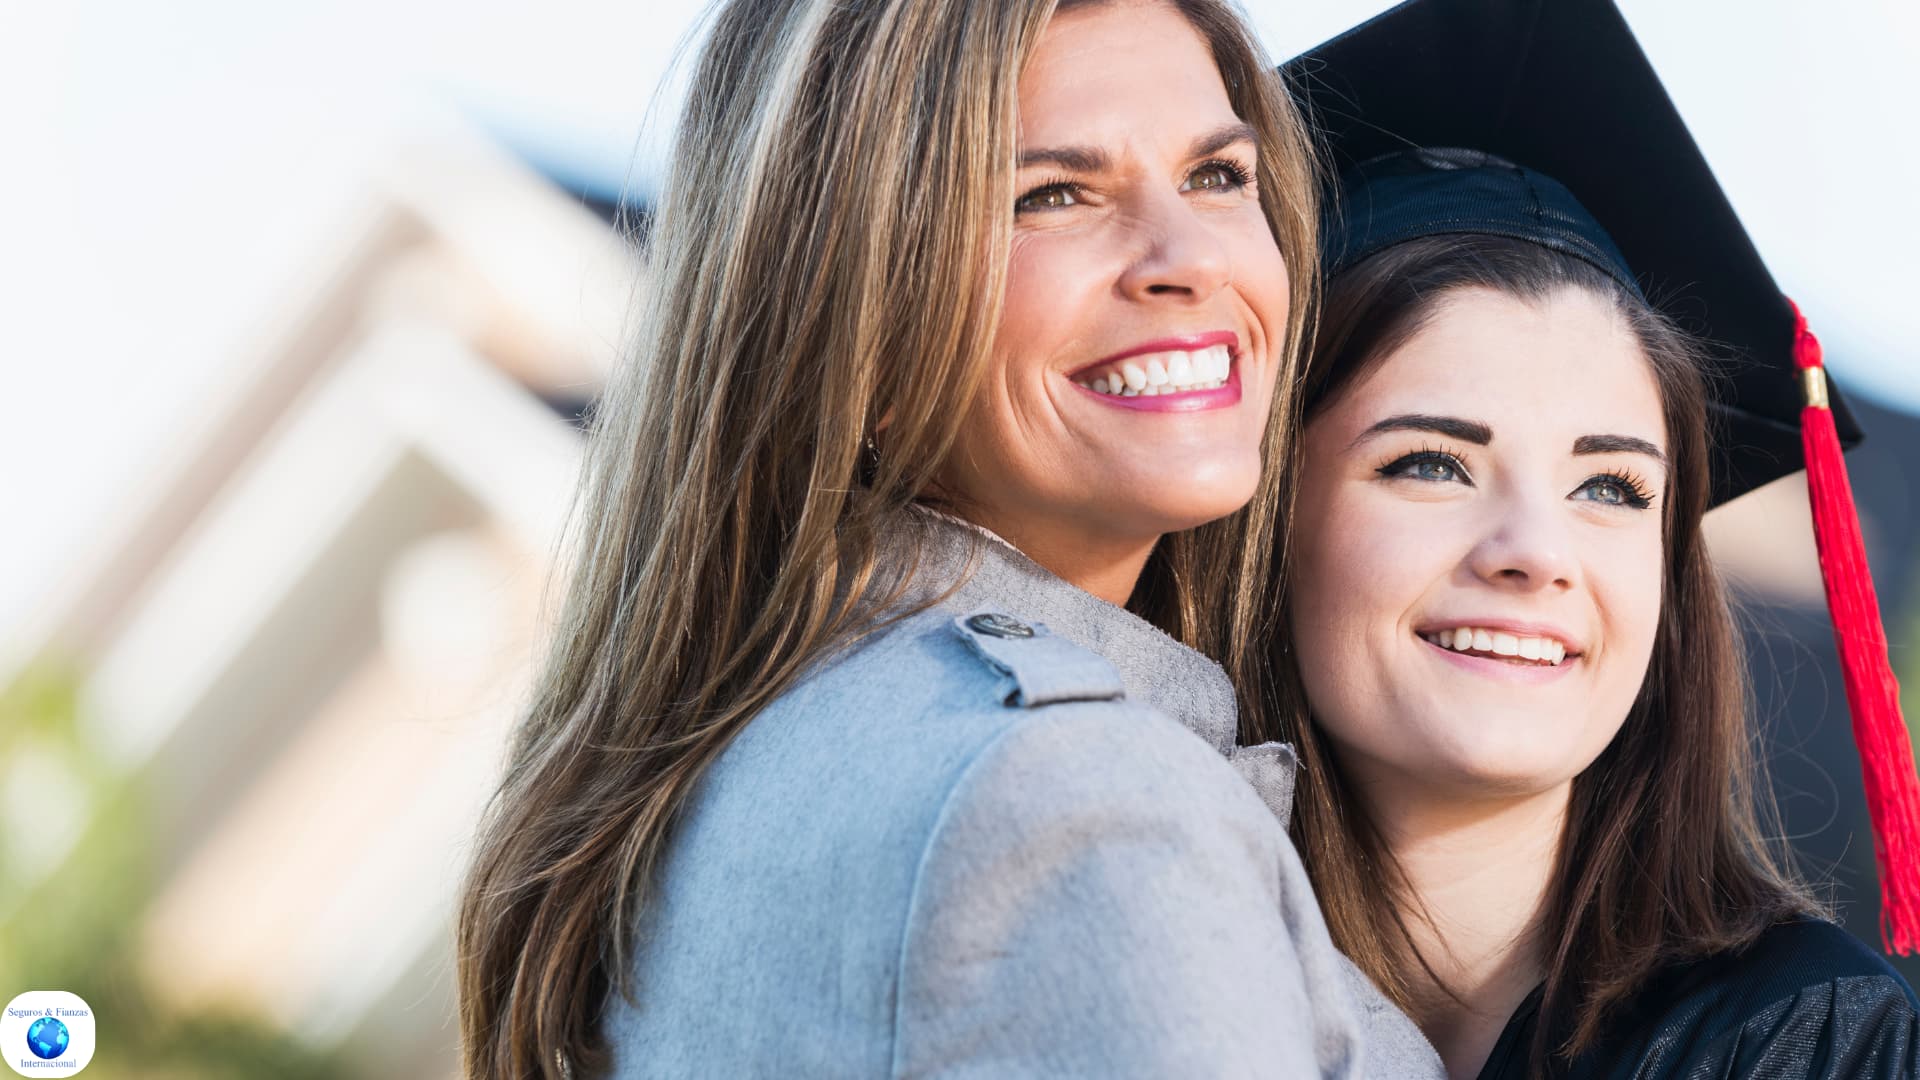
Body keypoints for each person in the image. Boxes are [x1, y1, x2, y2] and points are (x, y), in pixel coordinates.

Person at [455, 0, 1443, 1077]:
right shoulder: (1082, 803)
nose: (1190, 259)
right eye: (1053, 196)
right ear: (854, 312)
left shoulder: (767, 753)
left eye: (1217, 175)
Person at [1266, 1, 1920, 1076]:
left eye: (1612, 486)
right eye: (1430, 463)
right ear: (1268, 518)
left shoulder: (1805, 1044)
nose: (1537, 549)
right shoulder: (1123, 960)